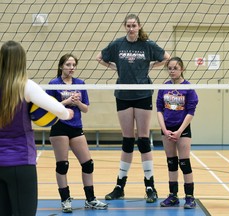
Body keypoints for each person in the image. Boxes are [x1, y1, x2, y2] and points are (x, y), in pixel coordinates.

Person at [96, 13, 170, 203]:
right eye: (128, 25)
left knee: (144, 140)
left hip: (143, 94)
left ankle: (150, 186)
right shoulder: (117, 44)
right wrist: (115, 68)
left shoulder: (147, 44)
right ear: (124, 27)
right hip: (123, 95)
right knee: (127, 140)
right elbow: (99, 57)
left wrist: (151, 67)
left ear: (139, 26)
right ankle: (120, 186)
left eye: (133, 25)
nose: (131, 28)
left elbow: (167, 57)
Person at [0, 41, 74, 216]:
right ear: (22, 61)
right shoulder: (26, 86)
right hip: (21, 162)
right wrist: (66, 114)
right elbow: (58, 109)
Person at [46, 54, 108, 213]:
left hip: (76, 126)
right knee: (62, 165)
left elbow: (85, 109)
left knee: (88, 164)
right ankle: (65, 200)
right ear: (61, 66)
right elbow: (49, 109)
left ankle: (90, 199)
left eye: (73, 65)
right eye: (68, 65)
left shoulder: (80, 84)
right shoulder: (54, 84)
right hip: (59, 127)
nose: (71, 68)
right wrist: (66, 102)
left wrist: (77, 102)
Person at [156, 57, 199, 209]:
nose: (172, 70)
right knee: (171, 163)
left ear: (182, 69)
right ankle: (173, 195)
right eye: (170, 68)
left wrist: (180, 131)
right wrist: (164, 129)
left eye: (175, 68)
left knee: (184, 163)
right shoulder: (164, 87)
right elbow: (159, 109)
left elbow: (191, 111)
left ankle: (189, 197)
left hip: (183, 129)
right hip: (166, 128)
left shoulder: (188, 87)